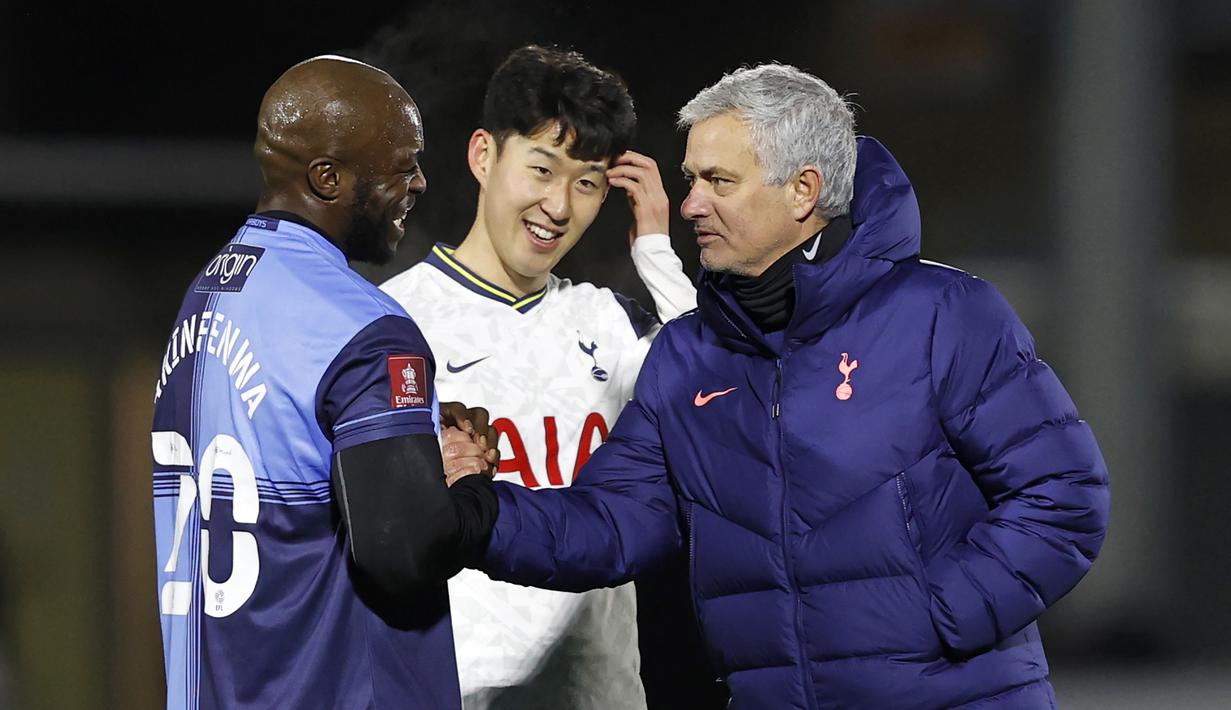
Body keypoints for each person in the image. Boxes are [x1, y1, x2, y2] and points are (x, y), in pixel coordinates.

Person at [474, 63, 1111, 708]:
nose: (690, 204)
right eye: (692, 180)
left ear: (803, 190)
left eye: (718, 181)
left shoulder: (943, 313)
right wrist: (471, 516)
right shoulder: (686, 356)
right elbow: (609, 524)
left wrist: (937, 618)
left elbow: (1064, 493)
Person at [151, 55, 499, 710]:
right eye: (401, 165)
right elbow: (402, 555)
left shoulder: (208, 297)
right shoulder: (361, 325)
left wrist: (413, 432)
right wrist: (470, 486)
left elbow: (292, 437)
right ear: (327, 177)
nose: (419, 183)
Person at [381, 45, 697, 709]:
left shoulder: (610, 323)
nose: (558, 204)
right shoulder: (395, 325)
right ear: (483, 157)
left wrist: (659, 256)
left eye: (586, 182)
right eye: (542, 168)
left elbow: (718, 400)